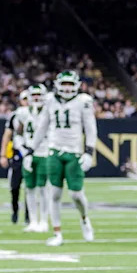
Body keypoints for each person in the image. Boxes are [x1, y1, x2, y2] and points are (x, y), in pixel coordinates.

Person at [28, 71, 97, 246]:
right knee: (55, 194)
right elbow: (42, 127)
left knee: (76, 195)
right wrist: (30, 151)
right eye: (64, 84)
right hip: (54, 151)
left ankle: (84, 219)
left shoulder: (84, 102)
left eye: (70, 84)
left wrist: (89, 152)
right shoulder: (50, 100)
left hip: (74, 152)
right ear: (58, 85)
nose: (67, 88)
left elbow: (90, 129)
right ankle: (57, 233)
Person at [17, 84, 50, 232]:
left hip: (44, 153)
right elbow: (18, 133)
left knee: (43, 188)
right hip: (28, 154)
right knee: (29, 189)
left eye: (39, 94)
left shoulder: (49, 112)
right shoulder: (23, 112)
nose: (36, 97)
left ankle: (43, 220)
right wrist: (23, 150)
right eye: (34, 95)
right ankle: (33, 220)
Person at [0, 90, 28, 224]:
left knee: (31, 187)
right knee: (14, 186)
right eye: (25, 99)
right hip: (18, 153)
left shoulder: (40, 114)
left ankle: (29, 215)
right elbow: (7, 136)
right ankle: (15, 211)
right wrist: (3, 155)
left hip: (33, 153)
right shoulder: (15, 116)